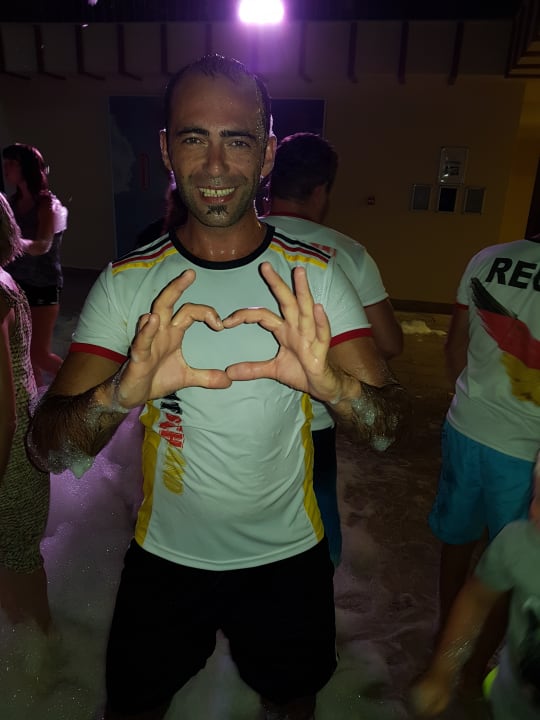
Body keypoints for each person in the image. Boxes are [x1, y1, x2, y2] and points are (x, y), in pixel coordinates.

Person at [28, 54, 410, 720]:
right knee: (132, 706)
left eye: (236, 140)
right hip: (165, 559)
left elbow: (387, 430)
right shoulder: (128, 283)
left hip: (288, 559)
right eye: (193, 137)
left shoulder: (315, 277)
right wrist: (120, 395)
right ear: (165, 149)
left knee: (292, 703)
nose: (213, 164)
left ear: (266, 155)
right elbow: (46, 450)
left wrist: (332, 386)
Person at [263, 132, 403, 566]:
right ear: (321, 190)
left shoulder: (232, 242)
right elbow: (389, 343)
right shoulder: (347, 253)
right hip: (313, 423)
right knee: (319, 543)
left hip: (232, 413)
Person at [428, 234, 540, 697]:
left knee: (457, 540)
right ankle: (473, 675)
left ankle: (444, 646)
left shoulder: (488, 258)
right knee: (513, 564)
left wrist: (475, 404)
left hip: (467, 428)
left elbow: (455, 346)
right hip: (528, 451)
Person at [411, 453, 540, 720]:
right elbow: (477, 598)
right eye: (538, 498)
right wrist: (444, 669)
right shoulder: (517, 543)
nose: (536, 514)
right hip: (510, 702)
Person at [0, 192, 51, 633]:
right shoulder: (4, 280)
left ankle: (43, 651)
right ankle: (40, 647)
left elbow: (5, 414)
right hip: (23, 442)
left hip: (10, 451)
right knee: (17, 558)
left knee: (15, 558)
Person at [2, 143, 68, 386]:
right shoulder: (11, 203)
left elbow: (42, 245)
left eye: (12, 163)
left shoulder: (48, 205)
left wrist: (11, 242)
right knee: (23, 354)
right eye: (5, 163)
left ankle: (76, 387)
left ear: (27, 168)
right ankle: (34, 398)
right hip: (16, 284)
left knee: (38, 354)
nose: (6, 168)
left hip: (42, 285)